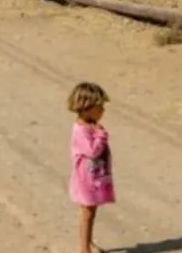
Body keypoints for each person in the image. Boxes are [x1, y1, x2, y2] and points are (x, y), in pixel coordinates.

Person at [67, 82, 114, 253]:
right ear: (86, 107)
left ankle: (89, 242)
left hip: (95, 177)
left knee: (92, 212)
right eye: (99, 107)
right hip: (86, 180)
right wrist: (101, 135)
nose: (103, 110)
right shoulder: (81, 130)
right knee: (87, 213)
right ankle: (83, 248)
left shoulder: (90, 126)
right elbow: (92, 151)